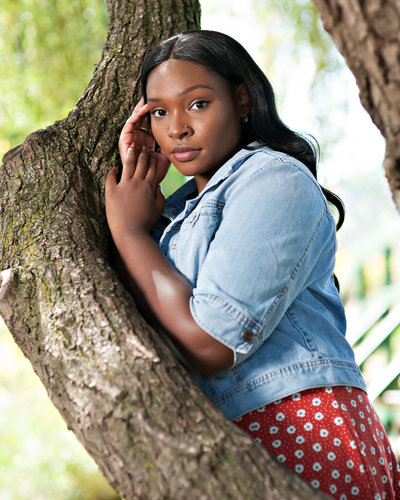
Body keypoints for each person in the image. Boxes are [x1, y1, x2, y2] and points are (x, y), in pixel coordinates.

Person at [105, 30, 400, 498]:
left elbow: (211, 343)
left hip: (305, 429)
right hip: (223, 444)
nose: (177, 127)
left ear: (241, 98)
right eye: (159, 111)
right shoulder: (172, 215)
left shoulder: (275, 180)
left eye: (197, 104)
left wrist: (129, 233)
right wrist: (146, 219)